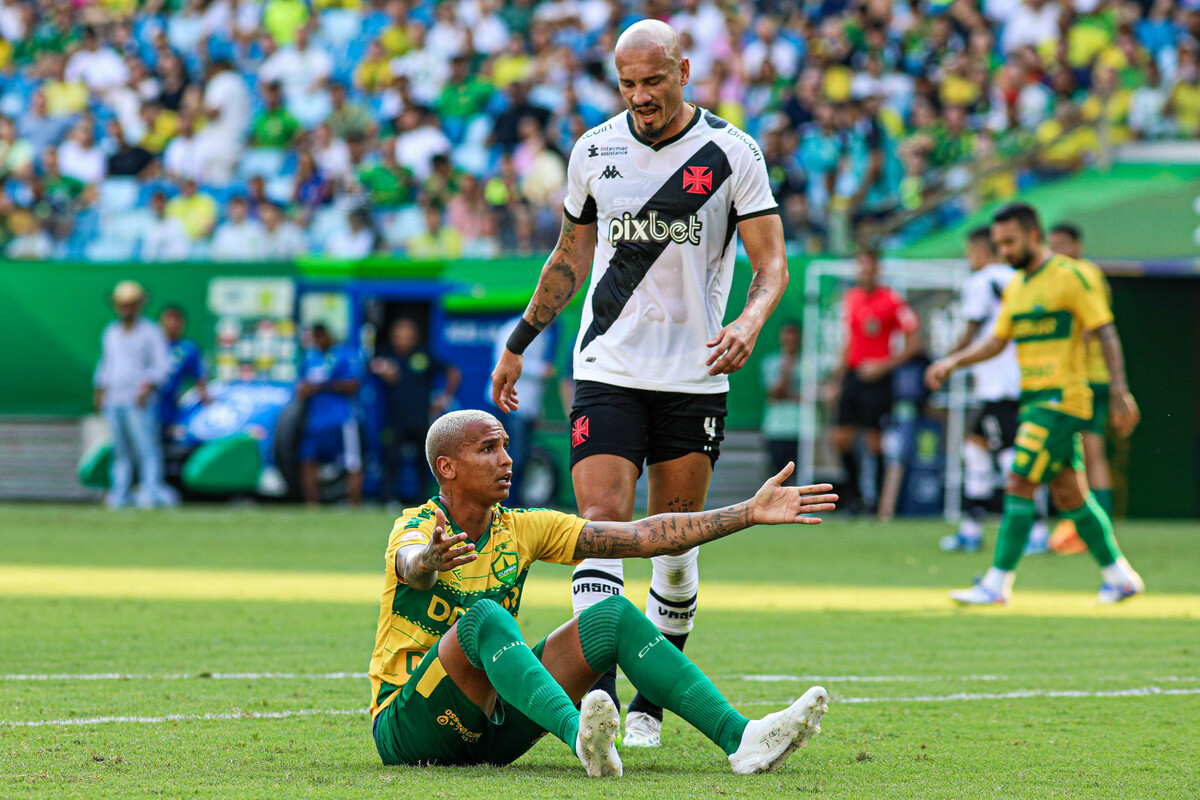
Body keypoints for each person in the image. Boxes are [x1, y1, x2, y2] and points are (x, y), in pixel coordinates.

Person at [491, 20, 790, 748]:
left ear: (684, 70)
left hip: (695, 376)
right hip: (607, 368)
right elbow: (568, 258)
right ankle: (601, 700)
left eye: (653, 80)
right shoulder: (594, 151)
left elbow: (772, 264)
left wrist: (749, 322)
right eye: (627, 83)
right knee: (600, 525)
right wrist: (521, 340)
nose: (640, 95)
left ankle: (652, 706)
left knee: (674, 547)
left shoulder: (732, 154)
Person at [368, 409, 836, 775]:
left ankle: (744, 740)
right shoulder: (417, 525)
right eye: (489, 449)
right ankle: (581, 738)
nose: (507, 459)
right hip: (409, 727)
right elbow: (411, 567)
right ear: (447, 467)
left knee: (611, 615)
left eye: (506, 446)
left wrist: (747, 513)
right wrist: (428, 561)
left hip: (492, 728)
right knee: (485, 618)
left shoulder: (524, 528)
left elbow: (643, 536)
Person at [925, 203, 1144, 605]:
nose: (1004, 251)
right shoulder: (1016, 286)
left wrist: (1118, 390)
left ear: (1032, 234)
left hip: (1063, 400)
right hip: (1034, 400)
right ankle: (1121, 577)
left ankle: (996, 584)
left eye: (1010, 242)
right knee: (1070, 494)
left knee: (1018, 481)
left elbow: (1105, 331)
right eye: (998, 244)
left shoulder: (1071, 276)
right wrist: (953, 362)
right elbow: (996, 340)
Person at [939, 227, 1048, 554]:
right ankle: (971, 528)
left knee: (1012, 460)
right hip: (1018, 380)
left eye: (970, 252)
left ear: (980, 250)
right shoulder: (1019, 278)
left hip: (1000, 386)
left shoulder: (982, 281)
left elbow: (970, 334)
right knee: (976, 450)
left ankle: (1037, 531)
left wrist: (946, 363)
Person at [826, 247, 921, 515]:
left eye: (869, 269)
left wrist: (883, 365)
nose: (864, 273)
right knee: (840, 438)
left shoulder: (892, 300)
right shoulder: (851, 298)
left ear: (878, 270)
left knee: (874, 441)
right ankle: (855, 497)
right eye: (861, 269)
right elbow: (849, 341)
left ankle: (878, 504)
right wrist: (837, 380)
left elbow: (915, 342)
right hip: (854, 375)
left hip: (879, 378)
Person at [1045, 223, 1118, 555]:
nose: (1057, 251)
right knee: (1075, 454)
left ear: (1078, 246)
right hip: (1074, 378)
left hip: (1086, 379)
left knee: (1087, 453)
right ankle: (1083, 526)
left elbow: (1089, 327)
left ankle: (1091, 528)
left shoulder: (1082, 274)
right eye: (1053, 245)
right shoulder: (1064, 275)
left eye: (1063, 244)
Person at [92, 281, 174, 510]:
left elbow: (162, 366)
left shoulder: (150, 332)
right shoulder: (111, 332)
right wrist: (100, 390)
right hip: (114, 399)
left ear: (138, 305)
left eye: (130, 304)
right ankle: (120, 493)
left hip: (139, 400)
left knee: (146, 448)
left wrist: (147, 387)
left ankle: (151, 491)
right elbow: (105, 364)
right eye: (122, 305)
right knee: (120, 450)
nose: (125, 309)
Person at [369, 318, 461, 507]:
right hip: (395, 419)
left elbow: (453, 372)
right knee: (392, 458)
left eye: (407, 336)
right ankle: (388, 498)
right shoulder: (387, 355)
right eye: (399, 336)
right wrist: (381, 369)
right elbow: (369, 365)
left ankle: (423, 500)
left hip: (420, 419)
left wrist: (444, 398)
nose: (403, 340)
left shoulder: (423, 355)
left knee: (423, 460)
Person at [488, 314, 554, 505]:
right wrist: (542, 370)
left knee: (522, 457)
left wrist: (537, 408)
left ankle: (513, 503)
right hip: (508, 403)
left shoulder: (545, 333)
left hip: (527, 408)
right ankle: (502, 503)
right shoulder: (514, 327)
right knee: (509, 457)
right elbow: (504, 362)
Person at [297, 323, 363, 507]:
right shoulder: (310, 357)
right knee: (307, 460)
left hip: (341, 419)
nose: (319, 340)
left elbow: (354, 384)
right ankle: (312, 505)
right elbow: (301, 386)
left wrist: (322, 386)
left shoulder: (344, 355)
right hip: (315, 420)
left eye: (321, 335)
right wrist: (304, 390)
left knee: (352, 461)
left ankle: (354, 505)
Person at [760, 322, 802, 483]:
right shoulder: (770, 362)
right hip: (776, 429)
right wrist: (787, 367)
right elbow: (775, 394)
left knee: (798, 477)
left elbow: (813, 395)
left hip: (801, 429)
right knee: (777, 476)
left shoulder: (808, 362)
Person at [158, 305, 208, 436]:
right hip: (149, 406)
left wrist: (207, 401)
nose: (172, 324)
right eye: (168, 320)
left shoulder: (187, 349)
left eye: (176, 320)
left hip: (173, 408)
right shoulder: (152, 347)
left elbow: (199, 378)